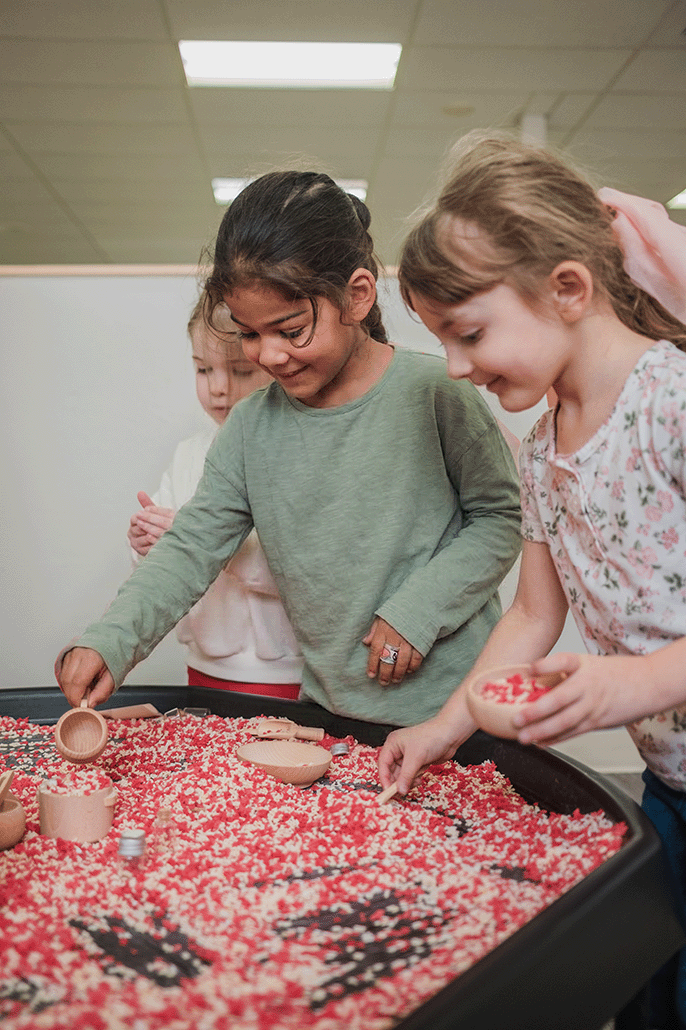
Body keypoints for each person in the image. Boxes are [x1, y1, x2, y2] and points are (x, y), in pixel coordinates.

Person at [376, 132, 686, 1029]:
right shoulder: (545, 450)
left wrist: (635, 679)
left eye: (470, 335)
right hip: (668, 780)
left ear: (568, 289)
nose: (461, 368)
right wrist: (443, 728)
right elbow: (532, 614)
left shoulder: (670, 401)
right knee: (641, 981)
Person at [55, 169, 521, 729]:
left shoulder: (437, 393)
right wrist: (110, 641)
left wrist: (417, 613)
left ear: (356, 296)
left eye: (291, 329)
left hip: (458, 714)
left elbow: (501, 516)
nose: (269, 356)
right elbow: (191, 546)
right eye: (250, 334)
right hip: (329, 714)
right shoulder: (251, 428)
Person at [127, 295, 303, 698]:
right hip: (204, 663)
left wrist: (207, 543)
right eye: (203, 370)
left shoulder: (296, 452)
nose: (218, 388)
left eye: (240, 371)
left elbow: (306, 572)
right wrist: (145, 545)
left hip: (285, 669)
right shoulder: (189, 453)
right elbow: (164, 564)